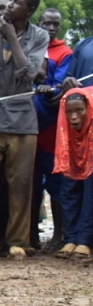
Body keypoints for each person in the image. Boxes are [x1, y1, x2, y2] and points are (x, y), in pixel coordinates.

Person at [0, 0, 49, 258]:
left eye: (16, 2)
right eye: (9, 0)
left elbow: (30, 74)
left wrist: (12, 38)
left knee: (20, 184)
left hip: (22, 122)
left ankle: (17, 241)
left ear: (28, 11)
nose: (9, 5)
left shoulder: (39, 36)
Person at [34, 8, 72, 254]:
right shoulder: (31, 46)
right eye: (46, 23)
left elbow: (60, 86)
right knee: (31, 185)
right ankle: (30, 237)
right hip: (28, 128)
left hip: (51, 128)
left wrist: (48, 88)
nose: (50, 28)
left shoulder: (65, 53)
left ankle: (59, 235)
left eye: (55, 24)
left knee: (55, 184)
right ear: (38, 23)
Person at [52, 89, 93, 261]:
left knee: (90, 196)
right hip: (72, 158)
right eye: (69, 112)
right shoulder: (65, 130)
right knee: (68, 193)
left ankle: (84, 240)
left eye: (79, 111)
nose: (73, 116)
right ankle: (70, 239)